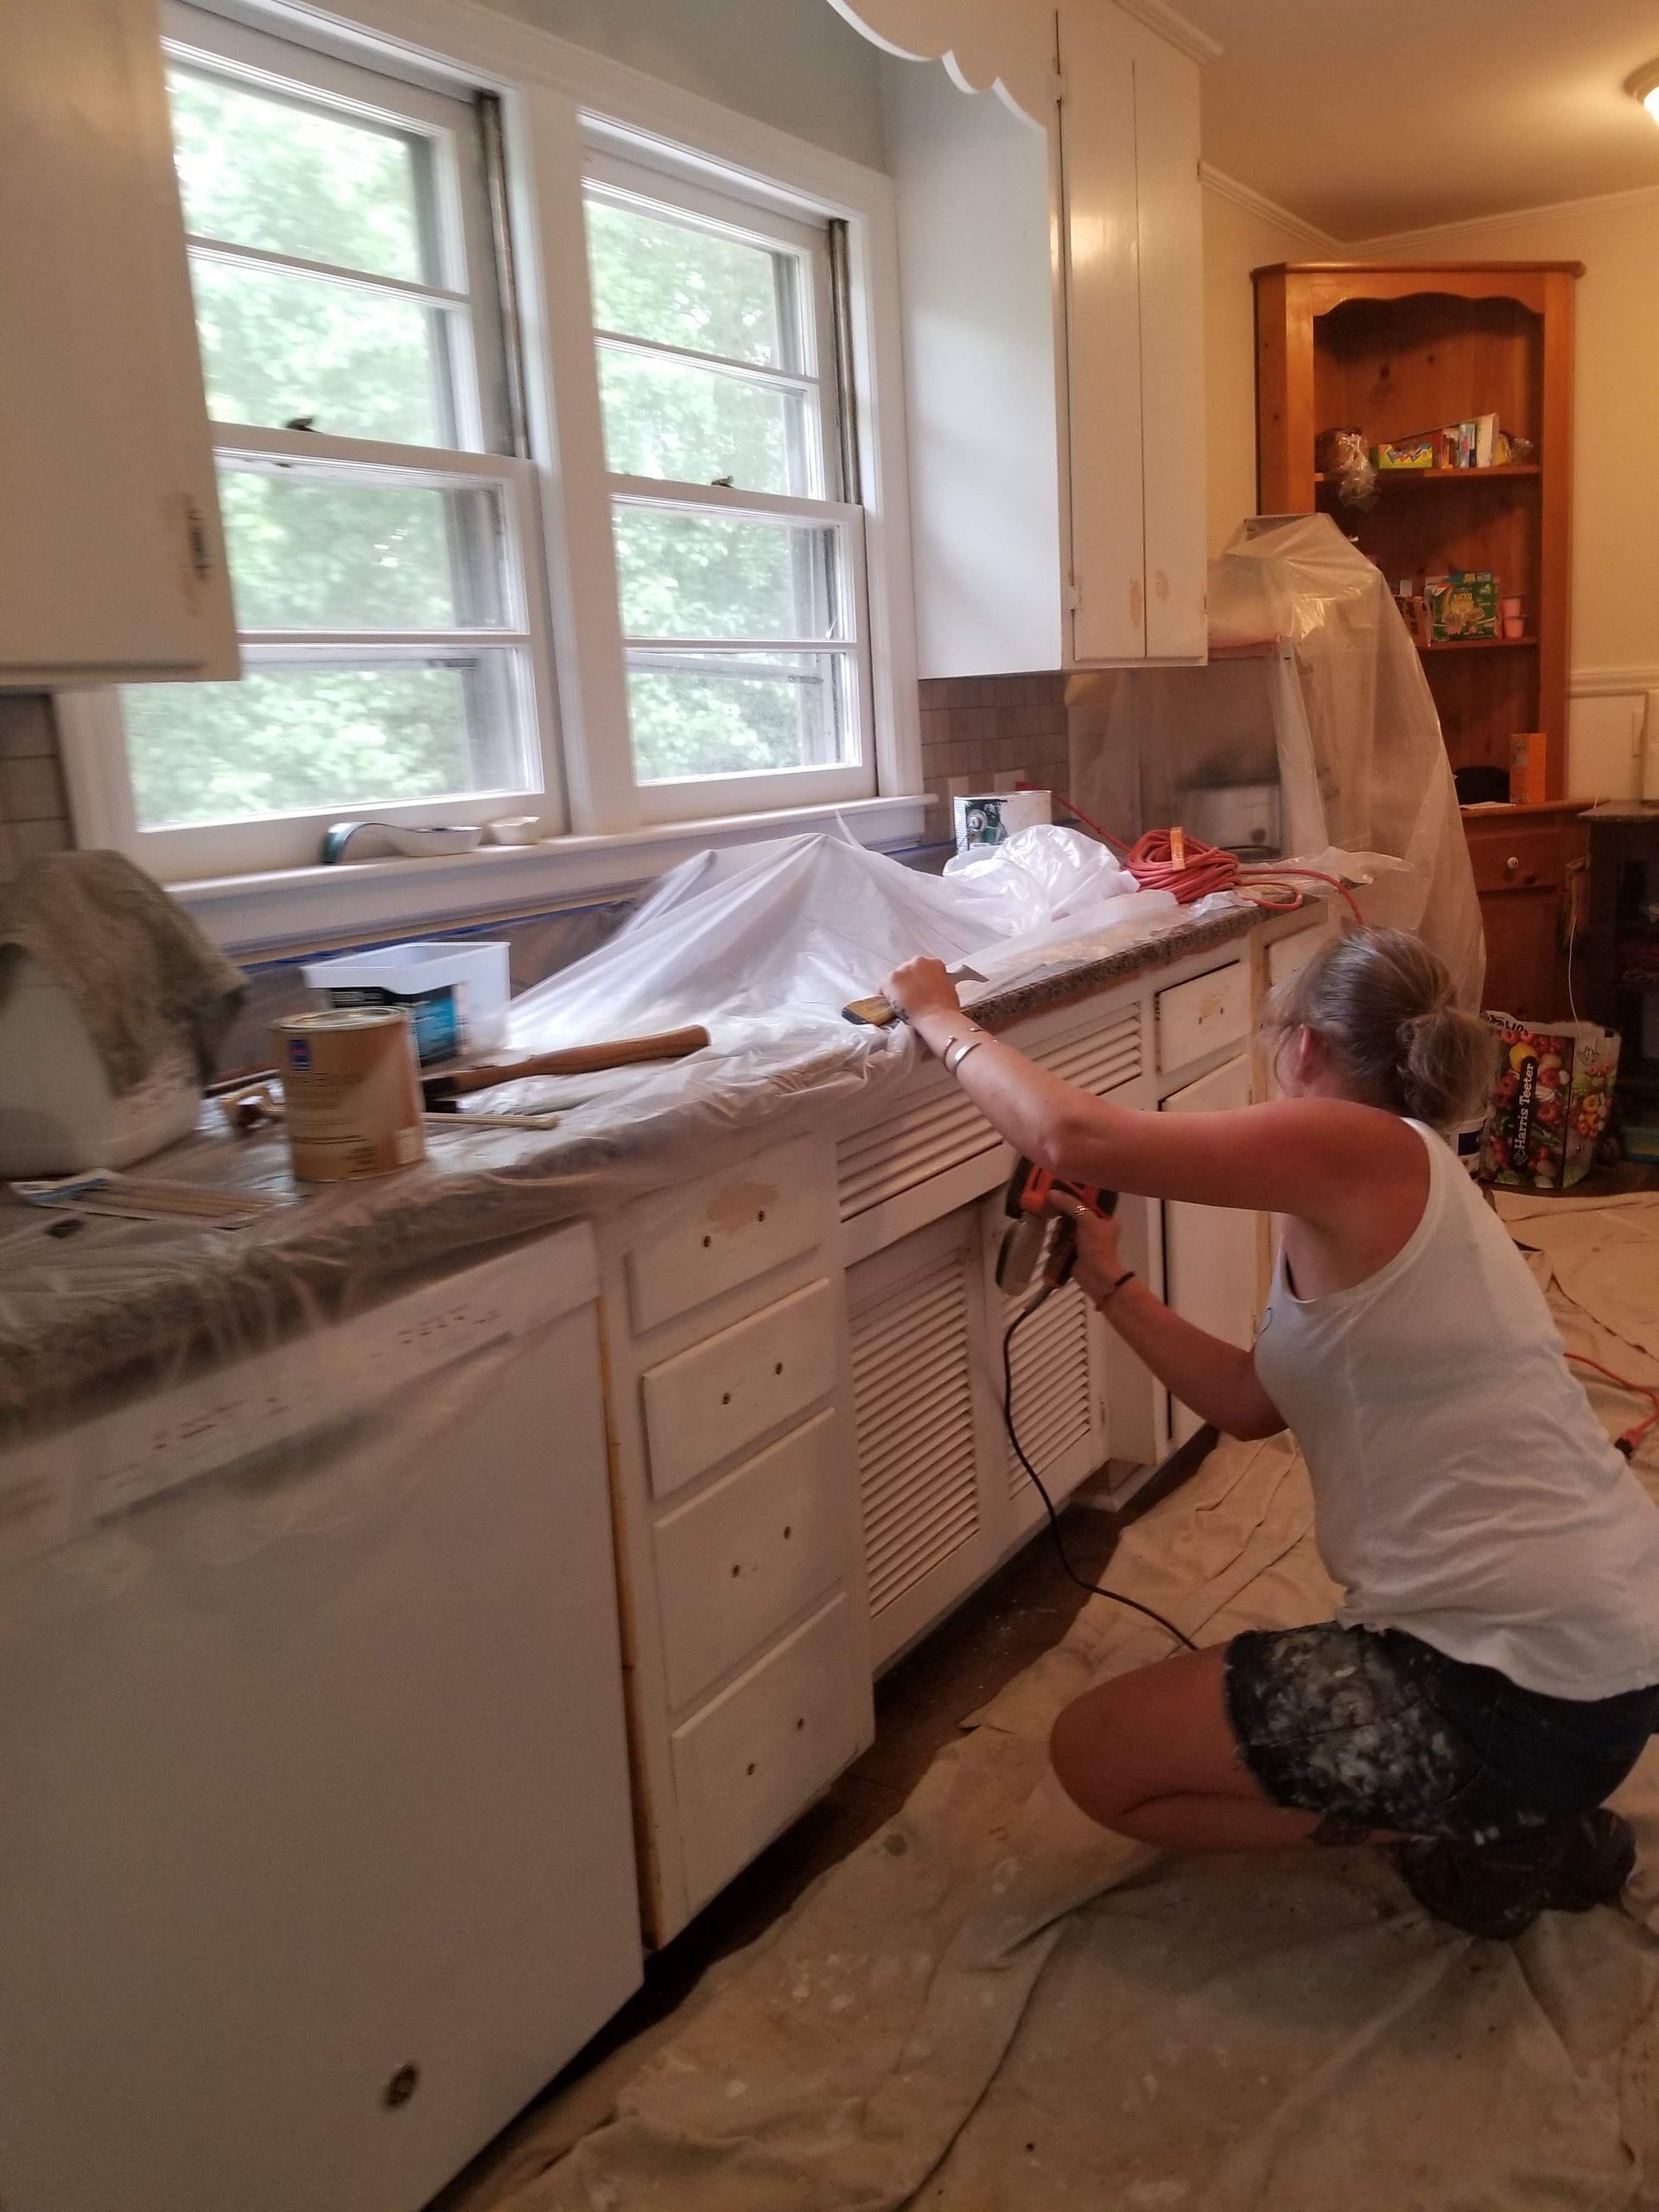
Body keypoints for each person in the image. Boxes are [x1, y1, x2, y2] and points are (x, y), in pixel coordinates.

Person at [882, 926, 1659, 1938]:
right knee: (1130, 1747)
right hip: (1595, 1654)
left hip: (1518, 1686)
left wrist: (937, 1016)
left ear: (1303, 1048)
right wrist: (1107, 1282)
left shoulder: (1358, 1143)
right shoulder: (1388, 1188)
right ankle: (1513, 1801)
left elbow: (1075, 1137)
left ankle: (1492, 1824)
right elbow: (1253, 1402)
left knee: (1097, 1759)